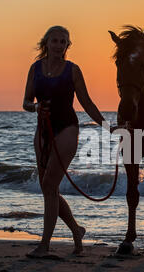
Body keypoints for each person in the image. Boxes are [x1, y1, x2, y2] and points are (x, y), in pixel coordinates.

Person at [23, 26, 106, 257]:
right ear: (46, 43)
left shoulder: (73, 70)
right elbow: (26, 102)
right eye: (55, 41)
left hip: (67, 128)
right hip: (42, 130)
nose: (59, 45)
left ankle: (44, 246)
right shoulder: (35, 69)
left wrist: (108, 126)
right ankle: (77, 231)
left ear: (67, 46)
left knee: (50, 186)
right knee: (48, 188)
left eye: (63, 42)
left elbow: (87, 103)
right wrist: (36, 106)